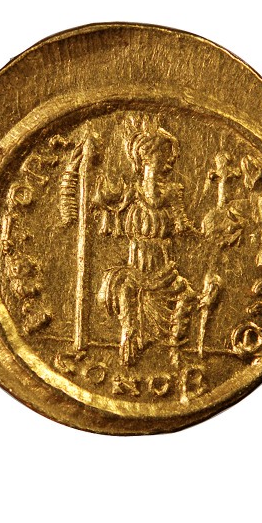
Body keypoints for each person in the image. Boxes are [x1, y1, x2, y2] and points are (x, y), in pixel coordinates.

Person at [97, 116, 195, 367]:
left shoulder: (173, 192)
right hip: (137, 265)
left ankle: (174, 347)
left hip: (163, 264)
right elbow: (107, 204)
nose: (170, 161)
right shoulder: (130, 192)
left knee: (186, 293)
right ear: (147, 156)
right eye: (165, 154)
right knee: (125, 290)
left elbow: (182, 225)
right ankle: (129, 337)